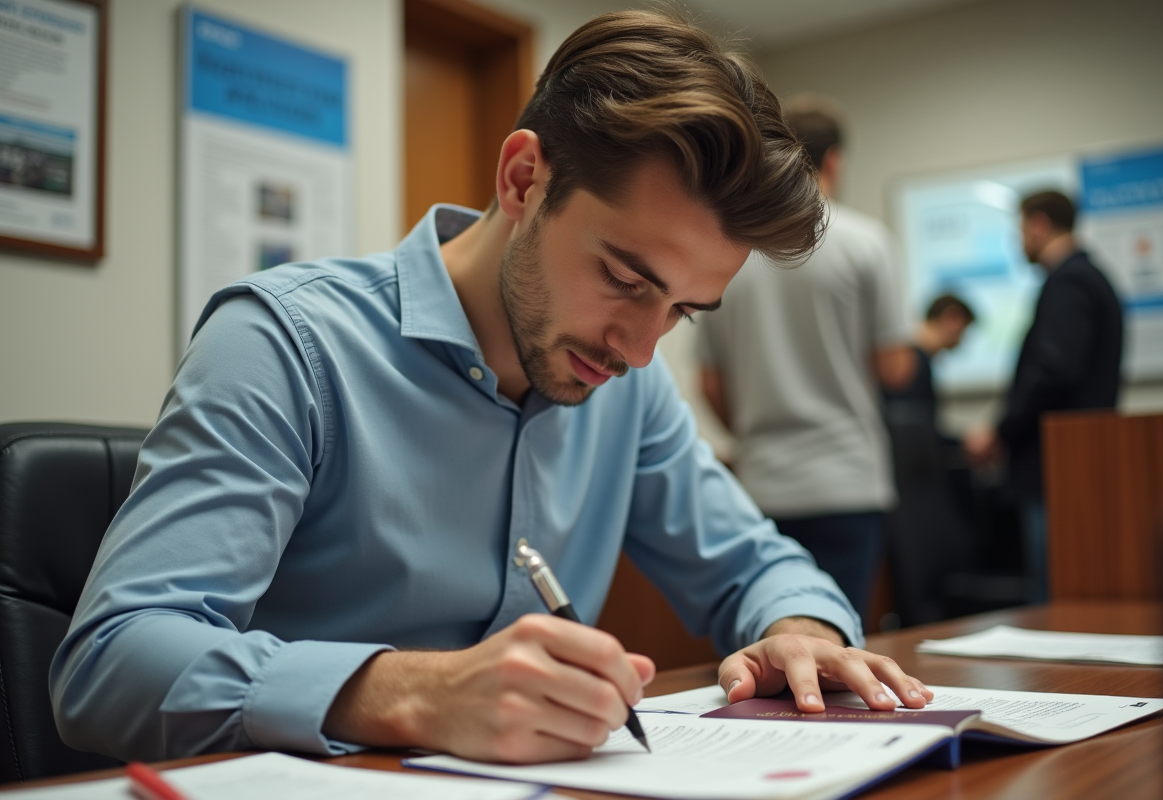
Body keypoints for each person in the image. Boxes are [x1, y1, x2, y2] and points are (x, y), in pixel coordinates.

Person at [50, 11, 932, 766]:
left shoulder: (627, 380)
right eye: (626, 278)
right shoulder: (286, 341)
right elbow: (109, 663)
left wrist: (803, 637)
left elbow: (757, 566)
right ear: (523, 179)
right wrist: (407, 691)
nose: (639, 345)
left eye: (684, 311)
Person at [694, 95, 914, 621]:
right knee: (833, 640)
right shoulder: (866, 242)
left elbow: (709, 381)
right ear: (834, 160)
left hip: (762, 483)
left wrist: (752, 425)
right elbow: (895, 368)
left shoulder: (731, 248)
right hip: (846, 479)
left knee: (767, 641)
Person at [964, 190, 1123, 603]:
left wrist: (1002, 430)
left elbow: (1052, 372)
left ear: (1038, 225)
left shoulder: (1067, 281)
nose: (1018, 241)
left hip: (1056, 464)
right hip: (1076, 460)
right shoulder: (1091, 277)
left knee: (1056, 596)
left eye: (1019, 230)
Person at [883, 293, 976, 431]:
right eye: (964, 330)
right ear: (951, 317)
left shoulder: (913, 357)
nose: (962, 340)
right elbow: (914, 429)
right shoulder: (912, 363)